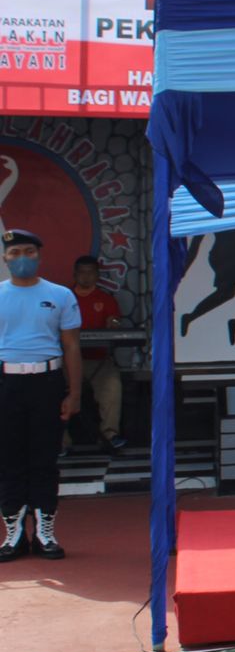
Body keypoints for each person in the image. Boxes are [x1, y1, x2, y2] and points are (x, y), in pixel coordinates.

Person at [1, 228, 81, 561]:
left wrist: (74, 393)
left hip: (46, 382)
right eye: (15, 252)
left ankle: (46, 531)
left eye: (29, 252)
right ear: (5, 257)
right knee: (9, 459)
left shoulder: (60, 295)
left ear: (40, 255)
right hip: (6, 383)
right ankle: (14, 534)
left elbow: (71, 345)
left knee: (45, 458)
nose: (22, 259)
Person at [70, 256, 128, 452]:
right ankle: (60, 442)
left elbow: (114, 323)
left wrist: (113, 324)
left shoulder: (105, 299)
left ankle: (111, 435)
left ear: (97, 275)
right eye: (82, 271)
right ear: (75, 274)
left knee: (112, 385)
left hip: (98, 360)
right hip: (69, 360)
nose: (86, 276)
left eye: (90, 271)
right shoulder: (64, 297)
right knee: (51, 388)